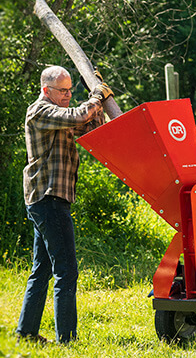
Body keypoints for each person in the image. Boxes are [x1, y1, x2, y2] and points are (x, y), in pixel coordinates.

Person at [16, 66, 114, 345]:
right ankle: (67, 340)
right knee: (66, 271)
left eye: (71, 90)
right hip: (48, 198)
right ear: (47, 90)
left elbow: (94, 127)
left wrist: (96, 93)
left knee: (43, 270)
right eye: (63, 90)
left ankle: (26, 333)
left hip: (50, 198)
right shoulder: (41, 111)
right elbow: (81, 114)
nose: (68, 95)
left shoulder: (62, 114)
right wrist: (95, 97)